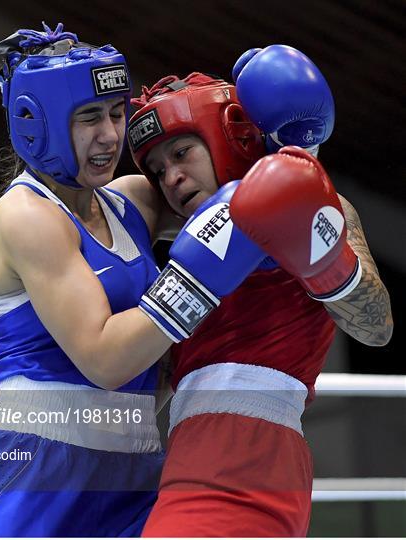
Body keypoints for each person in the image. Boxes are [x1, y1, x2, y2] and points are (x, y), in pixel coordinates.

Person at [0, 23, 269, 537]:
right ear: (36, 125)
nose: (109, 135)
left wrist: (281, 147)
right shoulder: (27, 215)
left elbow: (229, 189)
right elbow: (104, 359)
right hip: (39, 472)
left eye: (115, 112)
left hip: (134, 471)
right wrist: (198, 279)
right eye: (88, 118)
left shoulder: (131, 203)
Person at [126, 46, 393, 537]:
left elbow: (377, 327)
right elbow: (155, 389)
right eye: (158, 171)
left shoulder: (314, 201)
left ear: (227, 136)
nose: (171, 178)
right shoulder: (187, 253)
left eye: (182, 153)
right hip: (190, 453)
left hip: (249, 454)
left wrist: (325, 263)